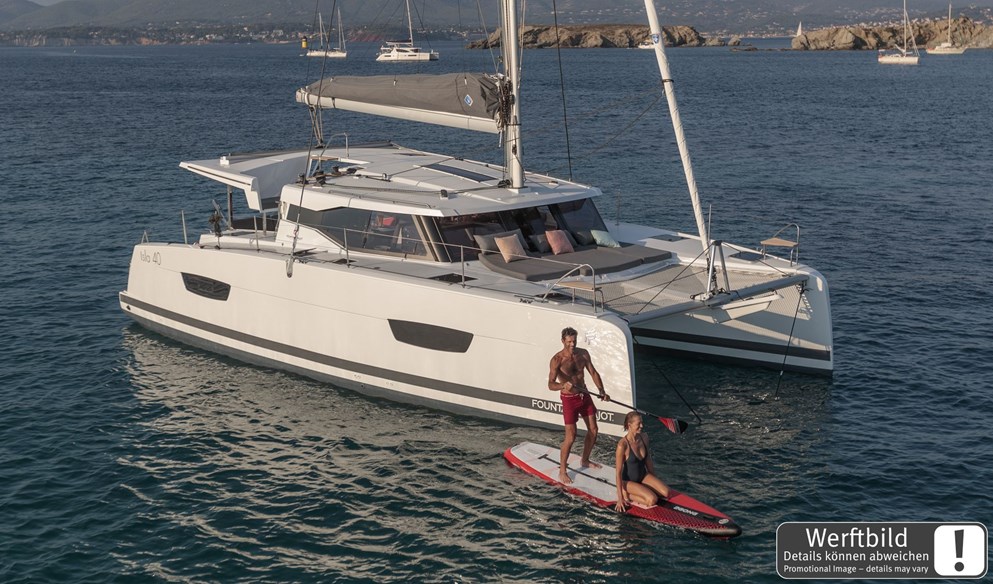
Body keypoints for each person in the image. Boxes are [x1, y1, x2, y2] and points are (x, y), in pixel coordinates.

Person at [548, 326, 610, 484]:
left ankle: (585, 460)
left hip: (584, 395)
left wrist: (601, 390)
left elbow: (593, 372)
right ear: (563, 341)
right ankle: (562, 470)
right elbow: (550, 384)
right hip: (569, 399)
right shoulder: (557, 360)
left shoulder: (583, 354)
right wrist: (563, 385)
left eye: (574, 341)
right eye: (569, 342)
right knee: (571, 436)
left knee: (594, 430)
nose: (572, 344)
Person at [614, 411, 671, 512]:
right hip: (628, 482)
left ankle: (643, 489)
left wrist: (654, 480)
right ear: (629, 425)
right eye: (638, 424)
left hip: (643, 476)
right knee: (652, 499)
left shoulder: (644, 437)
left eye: (642, 423)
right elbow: (618, 472)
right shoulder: (622, 445)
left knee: (666, 492)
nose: (642, 426)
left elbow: (648, 459)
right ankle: (626, 494)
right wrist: (620, 498)